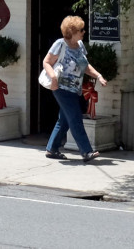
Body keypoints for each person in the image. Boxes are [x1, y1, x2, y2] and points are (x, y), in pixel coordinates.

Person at [42, 15, 109, 162]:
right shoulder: (60, 44)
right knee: (76, 117)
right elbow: (46, 62)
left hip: (74, 89)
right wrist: (53, 77)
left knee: (65, 119)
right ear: (72, 31)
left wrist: (98, 76)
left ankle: (51, 148)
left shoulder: (80, 46)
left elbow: (85, 66)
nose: (84, 32)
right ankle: (86, 151)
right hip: (60, 87)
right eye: (81, 30)